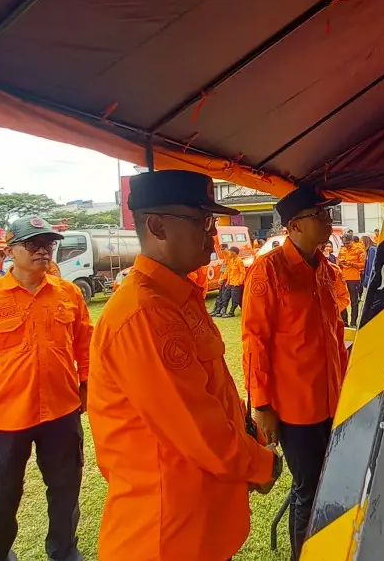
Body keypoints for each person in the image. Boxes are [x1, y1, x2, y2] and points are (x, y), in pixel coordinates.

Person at [89, 170, 281, 560]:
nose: (212, 234)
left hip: (199, 517)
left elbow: (215, 396)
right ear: (157, 226)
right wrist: (260, 464)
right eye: (201, 221)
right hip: (166, 533)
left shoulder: (178, 298)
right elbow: (196, 427)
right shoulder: (143, 313)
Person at [0, 216, 92, 561]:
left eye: (48, 244)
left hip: (62, 411)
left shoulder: (68, 293)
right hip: (4, 418)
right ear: (10, 251)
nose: (43, 251)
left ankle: (64, 551)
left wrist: (85, 389)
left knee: (65, 490)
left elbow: (85, 346)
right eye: (32, 244)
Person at [242, 185, 349, 561]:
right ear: (293, 226)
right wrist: (261, 405)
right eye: (319, 216)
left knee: (335, 480)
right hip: (294, 406)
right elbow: (255, 343)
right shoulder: (266, 272)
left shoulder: (327, 271)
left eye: (327, 215)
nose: (327, 222)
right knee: (308, 487)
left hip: (333, 398)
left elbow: (335, 335)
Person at [336, 233, 365, 327]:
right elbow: (337, 262)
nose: (346, 245)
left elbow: (363, 265)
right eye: (344, 243)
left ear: (352, 241)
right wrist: (340, 263)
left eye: (347, 243)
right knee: (342, 300)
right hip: (343, 278)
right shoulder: (342, 249)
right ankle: (344, 322)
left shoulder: (359, 250)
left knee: (354, 301)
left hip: (354, 278)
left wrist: (351, 264)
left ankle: (353, 322)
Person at [219, 245, 246, 318]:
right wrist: (224, 279)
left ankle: (231, 312)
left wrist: (239, 282)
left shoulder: (239, 261)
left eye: (231, 251)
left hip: (236, 283)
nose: (229, 252)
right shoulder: (230, 260)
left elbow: (243, 273)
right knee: (225, 296)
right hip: (230, 282)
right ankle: (223, 311)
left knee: (235, 298)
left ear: (234, 253)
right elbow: (228, 271)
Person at [209, 243, 233, 317]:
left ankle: (222, 311)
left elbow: (229, 270)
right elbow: (223, 268)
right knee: (220, 295)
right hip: (224, 278)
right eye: (221, 249)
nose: (221, 251)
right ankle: (216, 310)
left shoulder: (231, 256)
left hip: (228, 279)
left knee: (224, 296)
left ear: (227, 248)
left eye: (223, 249)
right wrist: (220, 277)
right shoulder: (226, 256)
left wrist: (222, 278)